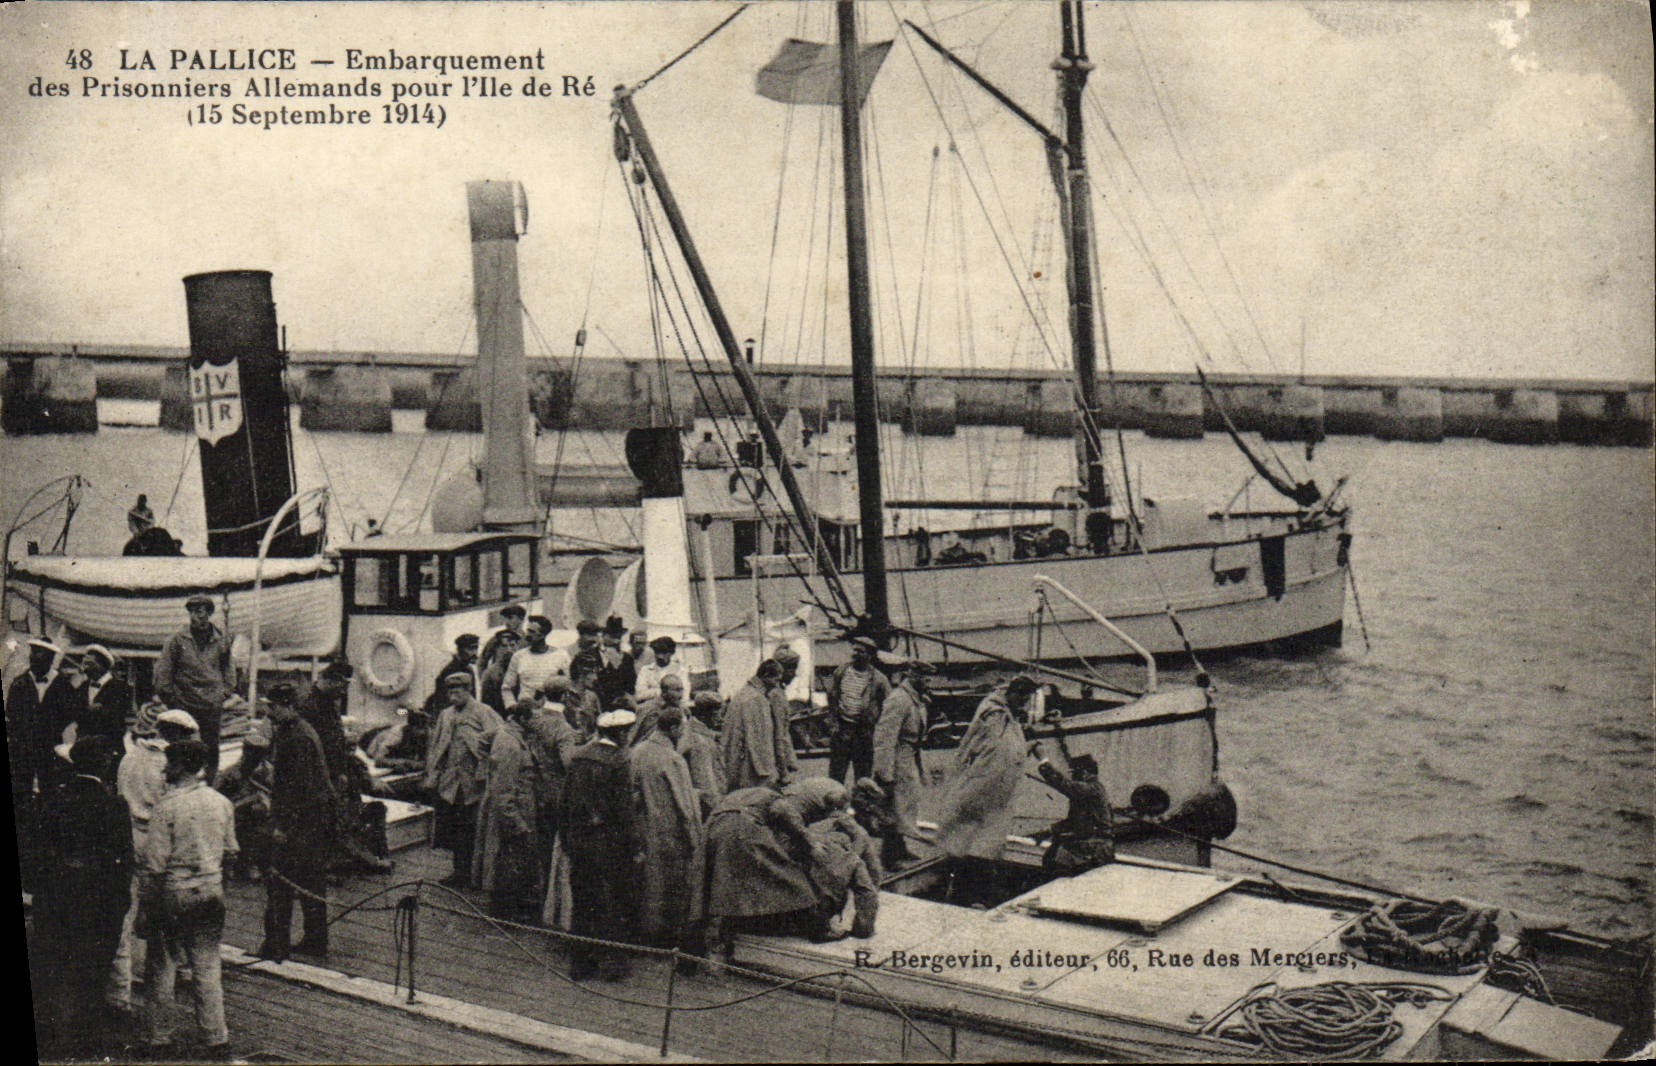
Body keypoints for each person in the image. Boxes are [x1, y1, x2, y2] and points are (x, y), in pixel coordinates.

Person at [32, 735, 131, 1055]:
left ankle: (47, 1035)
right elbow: (123, 862)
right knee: (92, 972)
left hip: (56, 898)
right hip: (97, 903)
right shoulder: (114, 805)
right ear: (104, 763)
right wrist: (120, 905)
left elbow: (37, 855)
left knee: (52, 967)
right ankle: (85, 1039)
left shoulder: (53, 799)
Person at [137, 738, 236, 1057]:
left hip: (174, 893)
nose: (165, 768)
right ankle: (216, 1037)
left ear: (179, 767)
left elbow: (154, 866)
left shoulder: (166, 807)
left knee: (163, 966)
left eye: (169, 762)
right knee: (207, 967)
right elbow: (231, 852)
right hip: (211, 891)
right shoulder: (222, 802)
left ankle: (161, 1037)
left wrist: (145, 909)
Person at [110, 707, 199, 1016]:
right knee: (165, 910)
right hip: (159, 842)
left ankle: (124, 980)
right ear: (178, 735)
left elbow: (120, 794)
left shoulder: (130, 755)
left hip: (128, 838)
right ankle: (171, 973)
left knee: (127, 910)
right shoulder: (172, 765)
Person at [561, 709, 639, 981]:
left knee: (583, 903)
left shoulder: (578, 756)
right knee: (613, 904)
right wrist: (634, 847)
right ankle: (613, 967)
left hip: (580, 843)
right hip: (610, 847)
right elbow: (624, 812)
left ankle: (581, 964)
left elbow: (565, 803)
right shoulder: (619, 762)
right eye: (627, 732)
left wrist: (568, 840)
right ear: (619, 733)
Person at [259, 683, 334, 961]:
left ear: (289, 706)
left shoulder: (297, 738)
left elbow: (298, 789)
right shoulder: (296, 731)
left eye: (273, 707)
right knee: (311, 883)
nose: (268, 712)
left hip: (301, 823)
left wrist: (282, 827)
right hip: (313, 822)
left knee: (280, 884)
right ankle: (315, 941)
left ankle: (276, 945)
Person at [933, 675, 1038, 858]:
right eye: (1022, 698)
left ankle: (977, 854)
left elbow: (1008, 747)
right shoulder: (994, 713)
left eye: (1027, 700)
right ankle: (955, 854)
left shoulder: (1007, 713)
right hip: (985, 775)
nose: (1024, 703)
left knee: (987, 821)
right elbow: (994, 747)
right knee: (969, 812)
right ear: (1012, 694)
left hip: (998, 780)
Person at [630, 704, 704, 960]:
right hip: (669, 835)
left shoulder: (637, 751)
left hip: (642, 831)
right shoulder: (673, 759)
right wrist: (695, 840)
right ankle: (665, 944)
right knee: (671, 891)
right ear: (673, 728)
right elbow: (686, 806)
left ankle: (643, 938)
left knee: (646, 887)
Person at [301, 660, 390, 873]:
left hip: (335, 772)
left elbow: (335, 743)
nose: (343, 691)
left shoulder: (327, 703)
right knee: (326, 819)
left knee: (341, 816)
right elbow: (313, 747)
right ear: (330, 681)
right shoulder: (310, 706)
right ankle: (327, 865)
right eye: (341, 686)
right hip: (319, 774)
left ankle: (344, 860)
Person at [423, 672, 504, 888]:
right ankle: (460, 872)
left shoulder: (483, 712)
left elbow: (499, 739)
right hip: (452, 784)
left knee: (474, 829)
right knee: (455, 828)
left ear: (468, 691)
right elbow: (437, 746)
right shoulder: (445, 715)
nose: (452, 696)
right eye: (450, 691)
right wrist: (434, 773)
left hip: (475, 784)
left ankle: (476, 874)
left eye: (457, 691)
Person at [154, 595, 238, 785]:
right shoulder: (177, 640)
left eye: (201, 611)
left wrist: (223, 693)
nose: (197, 616)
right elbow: (164, 671)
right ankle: (178, 784)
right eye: (193, 612)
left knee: (210, 748)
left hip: (210, 705)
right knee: (181, 746)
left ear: (209, 613)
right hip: (184, 703)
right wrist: (172, 700)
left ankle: (208, 783)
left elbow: (228, 668)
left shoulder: (220, 640)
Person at [473, 700, 545, 921]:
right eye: (535, 718)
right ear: (522, 719)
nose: (540, 722)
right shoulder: (509, 744)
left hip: (521, 808)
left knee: (516, 861)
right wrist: (516, 823)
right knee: (507, 862)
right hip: (512, 814)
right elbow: (503, 791)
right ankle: (504, 912)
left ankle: (513, 906)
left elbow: (483, 741)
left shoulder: (513, 734)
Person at [871, 659, 932, 866]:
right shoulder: (899, 699)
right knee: (892, 807)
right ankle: (888, 857)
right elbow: (884, 738)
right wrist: (884, 773)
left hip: (908, 756)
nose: (928, 682)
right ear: (912, 676)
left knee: (905, 805)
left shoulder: (915, 698)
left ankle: (900, 848)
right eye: (925, 678)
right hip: (896, 758)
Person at [824, 636, 890, 786]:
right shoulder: (841, 672)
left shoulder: (879, 679)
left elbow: (888, 705)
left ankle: (861, 807)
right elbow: (832, 696)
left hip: (864, 733)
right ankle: (835, 806)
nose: (855, 654)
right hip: (842, 730)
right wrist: (833, 722)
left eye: (861, 651)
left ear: (870, 656)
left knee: (863, 776)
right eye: (854, 650)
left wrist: (877, 726)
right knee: (836, 774)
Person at [1035, 752, 1115, 875]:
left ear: (1083, 773)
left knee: (1057, 859)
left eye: (1074, 774)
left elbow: (1064, 784)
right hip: (1096, 847)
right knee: (1052, 856)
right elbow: (1074, 822)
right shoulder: (1092, 791)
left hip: (1095, 847)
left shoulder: (1092, 789)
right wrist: (1050, 830)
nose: (1072, 777)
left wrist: (1043, 760)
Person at [215, 719, 273, 881]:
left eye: (257, 754)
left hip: (260, 815)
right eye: (250, 753)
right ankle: (235, 863)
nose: (252, 758)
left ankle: (253, 863)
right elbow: (217, 796)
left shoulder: (268, 772)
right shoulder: (231, 772)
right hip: (235, 814)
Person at [718, 659, 786, 793]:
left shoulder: (745, 693)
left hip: (736, 760)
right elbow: (759, 740)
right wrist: (770, 771)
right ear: (766, 676)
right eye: (776, 680)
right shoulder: (756, 699)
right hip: (751, 767)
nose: (776, 685)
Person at [68, 644, 133, 745]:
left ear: (103, 665)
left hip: (109, 745)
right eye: (85, 664)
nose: (85, 668)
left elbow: (116, 715)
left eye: (90, 664)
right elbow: (73, 712)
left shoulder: (119, 687)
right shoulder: (83, 687)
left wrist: (98, 710)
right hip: (83, 745)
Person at [503, 615, 569, 706]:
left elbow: (571, 684)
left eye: (532, 632)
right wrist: (511, 706)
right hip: (525, 711)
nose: (527, 635)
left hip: (551, 711)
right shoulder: (518, 656)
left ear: (543, 635)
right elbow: (507, 687)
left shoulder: (561, 655)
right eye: (527, 630)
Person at [680, 691, 725, 817]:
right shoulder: (700, 742)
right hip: (706, 806)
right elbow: (706, 783)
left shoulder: (693, 731)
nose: (720, 719)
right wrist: (718, 810)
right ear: (706, 714)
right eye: (716, 715)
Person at [770, 645, 804, 786]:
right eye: (792, 669)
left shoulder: (778, 692)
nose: (795, 674)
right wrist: (783, 769)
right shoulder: (776, 694)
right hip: (777, 759)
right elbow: (779, 734)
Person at [479, 627, 523, 715]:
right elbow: (487, 705)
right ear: (497, 649)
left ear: (517, 647)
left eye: (512, 645)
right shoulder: (490, 673)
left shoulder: (522, 669)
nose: (508, 649)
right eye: (504, 646)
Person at [632, 635, 687, 705]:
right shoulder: (646, 670)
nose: (660, 656)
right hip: (651, 709)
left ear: (671, 653)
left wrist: (651, 692)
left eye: (664, 652)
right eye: (657, 652)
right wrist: (667, 692)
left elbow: (684, 696)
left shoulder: (680, 670)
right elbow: (639, 695)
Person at [429, 633, 481, 706]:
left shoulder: (469, 669)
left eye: (476, 648)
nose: (475, 653)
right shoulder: (449, 671)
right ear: (460, 650)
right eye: (470, 649)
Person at [595, 616, 635, 708]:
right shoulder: (592, 655)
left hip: (621, 705)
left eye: (619, 637)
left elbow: (631, 685)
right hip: (598, 703)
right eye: (613, 636)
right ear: (604, 635)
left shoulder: (627, 659)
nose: (616, 641)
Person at [480, 603, 528, 673]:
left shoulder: (528, 641)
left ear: (521, 619)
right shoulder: (497, 638)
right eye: (505, 618)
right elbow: (482, 660)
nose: (506, 622)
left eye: (510, 618)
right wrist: (485, 678)